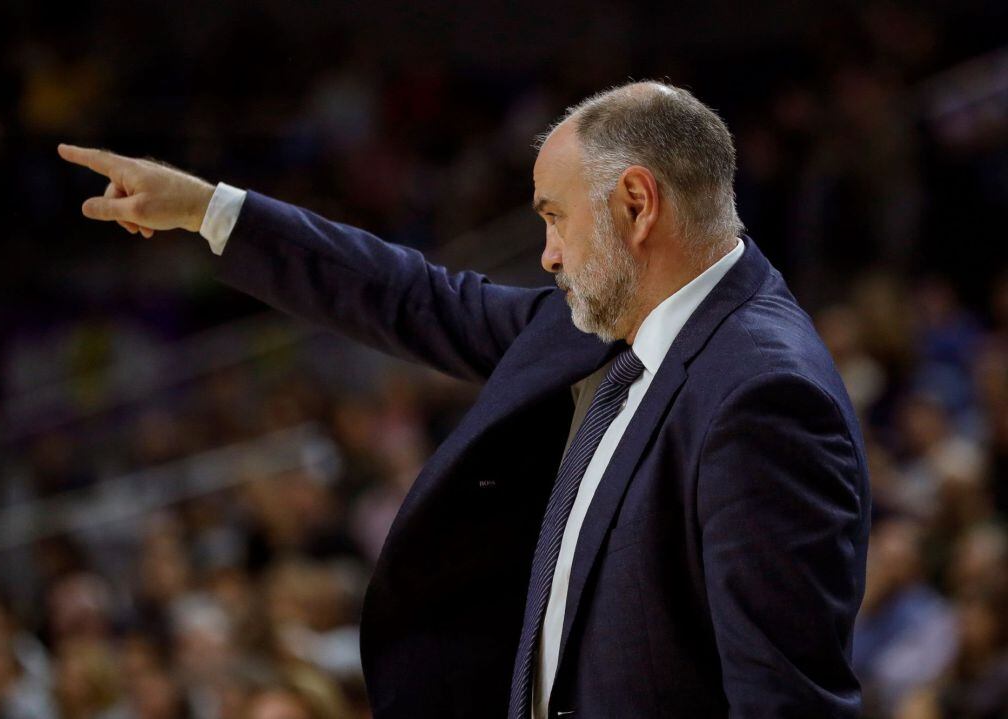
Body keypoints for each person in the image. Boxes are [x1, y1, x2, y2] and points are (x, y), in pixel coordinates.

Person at [58, 80, 871, 719]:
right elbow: (416, 296)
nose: (549, 253)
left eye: (556, 218)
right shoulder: (605, 325)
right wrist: (208, 211)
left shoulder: (763, 395)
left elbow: (785, 703)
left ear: (635, 204)